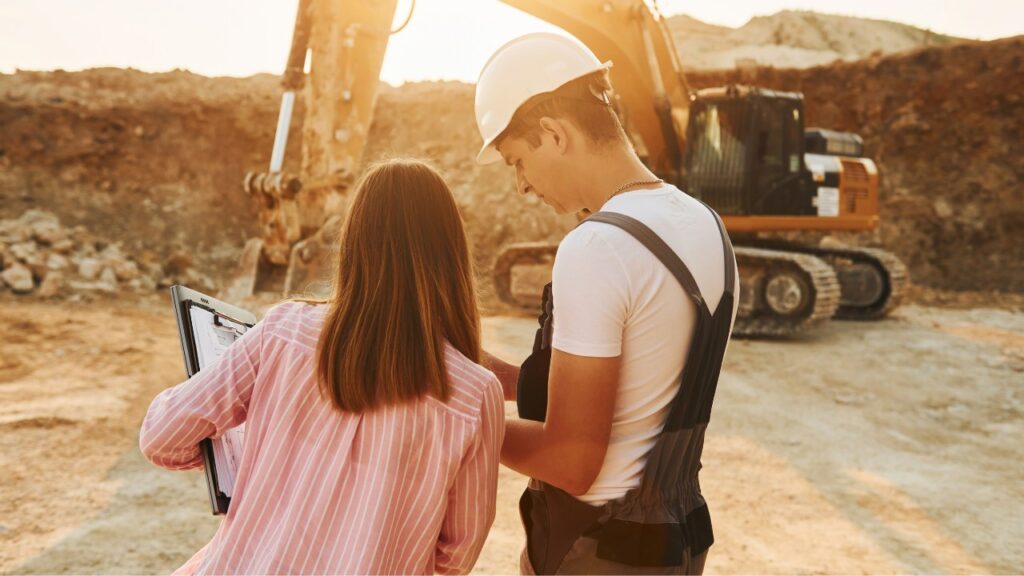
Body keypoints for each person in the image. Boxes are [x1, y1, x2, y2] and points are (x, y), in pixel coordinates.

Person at [140, 159, 504, 575]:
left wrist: (249, 451)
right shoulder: (476, 395)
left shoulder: (283, 331)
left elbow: (161, 438)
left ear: (353, 243)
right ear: (451, 252)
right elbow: (455, 556)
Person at [475, 33, 740, 574]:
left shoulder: (598, 246)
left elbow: (571, 461)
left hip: (597, 551)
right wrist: (474, 369)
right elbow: (637, 386)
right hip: (674, 544)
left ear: (553, 133)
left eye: (517, 161)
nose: (522, 185)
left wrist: (453, 414)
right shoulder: (704, 223)